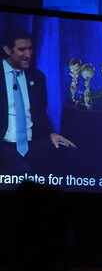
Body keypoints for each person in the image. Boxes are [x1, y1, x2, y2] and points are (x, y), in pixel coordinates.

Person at [0, 27, 76, 173]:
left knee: (70, 154)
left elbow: (40, 113)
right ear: (7, 50)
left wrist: (52, 133)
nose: (28, 54)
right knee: (25, 172)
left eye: (30, 49)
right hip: (4, 143)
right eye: (22, 49)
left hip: (31, 142)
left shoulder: (37, 77)